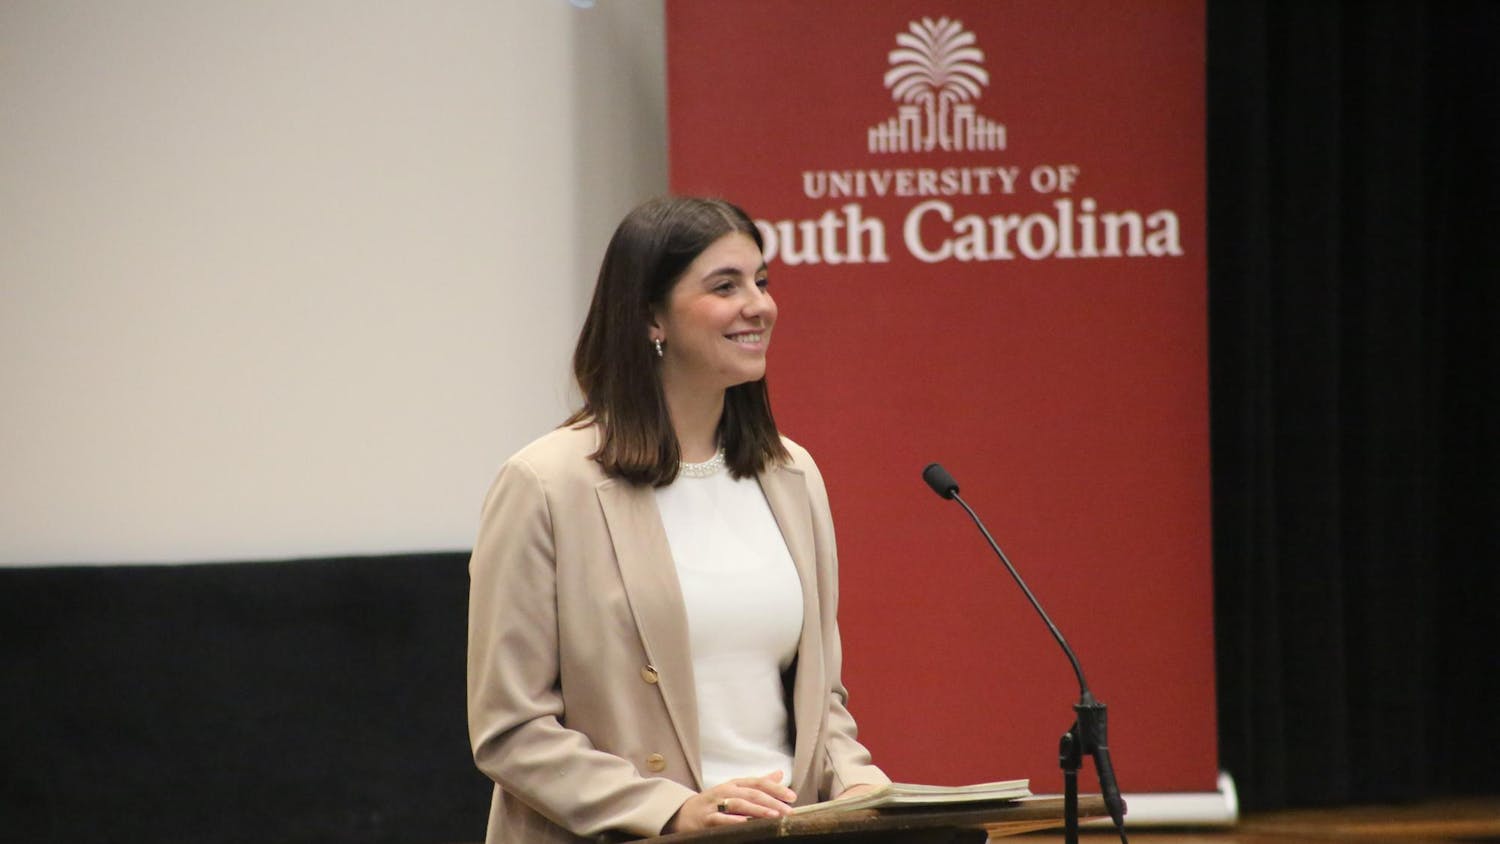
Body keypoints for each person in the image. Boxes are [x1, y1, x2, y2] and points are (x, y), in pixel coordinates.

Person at [466, 196, 888, 843]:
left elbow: (820, 701)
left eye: (762, 281)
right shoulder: (545, 485)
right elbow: (510, 730)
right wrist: (670, 809)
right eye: (726, 286)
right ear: (649, 318)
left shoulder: (791, 474)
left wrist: (857, 784)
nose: (759, 305)